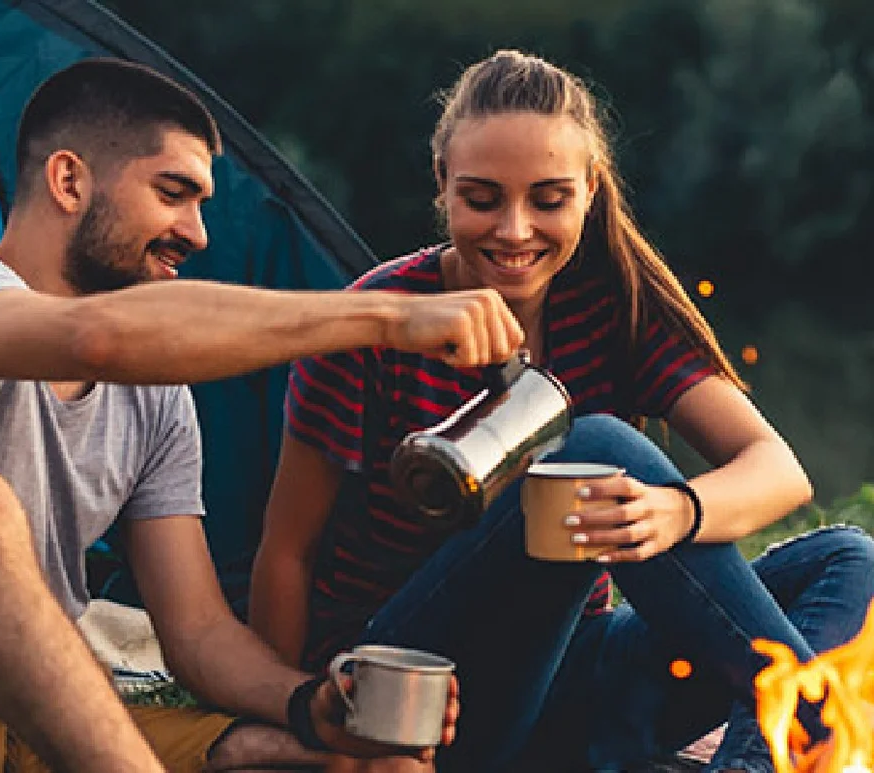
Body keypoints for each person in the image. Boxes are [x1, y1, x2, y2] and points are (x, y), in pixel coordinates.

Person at [0, 57, 506, 773]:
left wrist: (310, 704)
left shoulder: (158, 401)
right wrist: (384, 317)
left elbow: (201, 632)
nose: (199, 232)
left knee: (357, 757)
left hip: (23, 726)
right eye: (173, 192)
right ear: (70, 180)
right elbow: (95, 340)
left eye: (202, 204)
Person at [250, 49, 874, 773]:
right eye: (482, 199)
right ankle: (815, 731)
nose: (515, 230)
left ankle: (756, 763)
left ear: (589, 192)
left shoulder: (611, 306)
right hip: (422, 697)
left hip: (576, 676)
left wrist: (676, 511)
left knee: (846, 557)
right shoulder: (374, 324)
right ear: (442, 184)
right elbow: (285, 552)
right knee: (599, 444)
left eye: (548, 199)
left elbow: (777, 470)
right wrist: (291, 713)